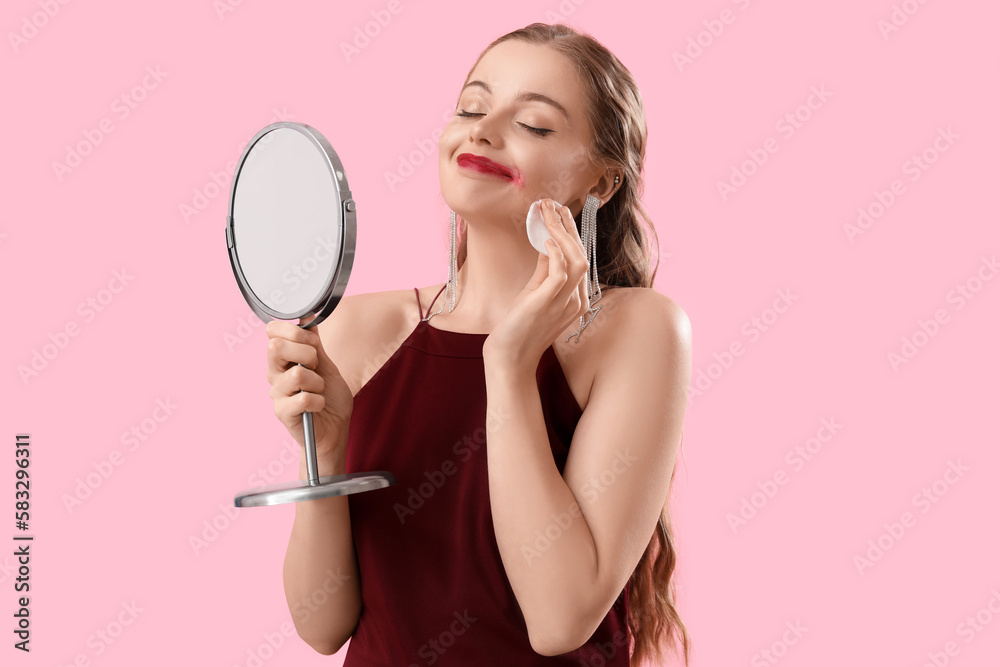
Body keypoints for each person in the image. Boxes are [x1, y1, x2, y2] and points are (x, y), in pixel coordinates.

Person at [266, 22, 692, 666]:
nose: (483, 131)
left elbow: (559, 618)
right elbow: (323, 624)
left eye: (537, 125)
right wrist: (324, 451)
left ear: (601, 182)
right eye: (472, 106)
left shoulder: (637, 330)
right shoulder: (353, 330)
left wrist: (511, 365)